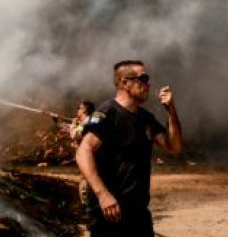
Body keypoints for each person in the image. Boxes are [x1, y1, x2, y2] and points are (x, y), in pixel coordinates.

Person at [76, 60, 183, 237]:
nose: (148, 84)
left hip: (138, 213)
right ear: (125, 82)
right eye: (143, 78)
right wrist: (103, 195)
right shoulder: (107, 113)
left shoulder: (145, 118)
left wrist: (170, 110)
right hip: (110, 212)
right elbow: (83, 152)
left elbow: (174, 146)